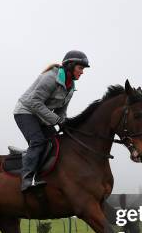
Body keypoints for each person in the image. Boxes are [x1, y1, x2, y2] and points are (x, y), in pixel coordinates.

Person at [13, 50, 90, 191]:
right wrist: (57, 120)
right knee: (38, 141)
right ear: (70, 66)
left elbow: (61, 111)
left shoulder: (71, 87)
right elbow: (34, 103)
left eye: (83, 69)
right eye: (80, 68)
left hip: (41, 116)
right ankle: (27, 179)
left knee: (57, 142)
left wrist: (65, 124)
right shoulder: (50, 78)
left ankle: (45, 173)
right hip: (25, 112)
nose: (82, 72)